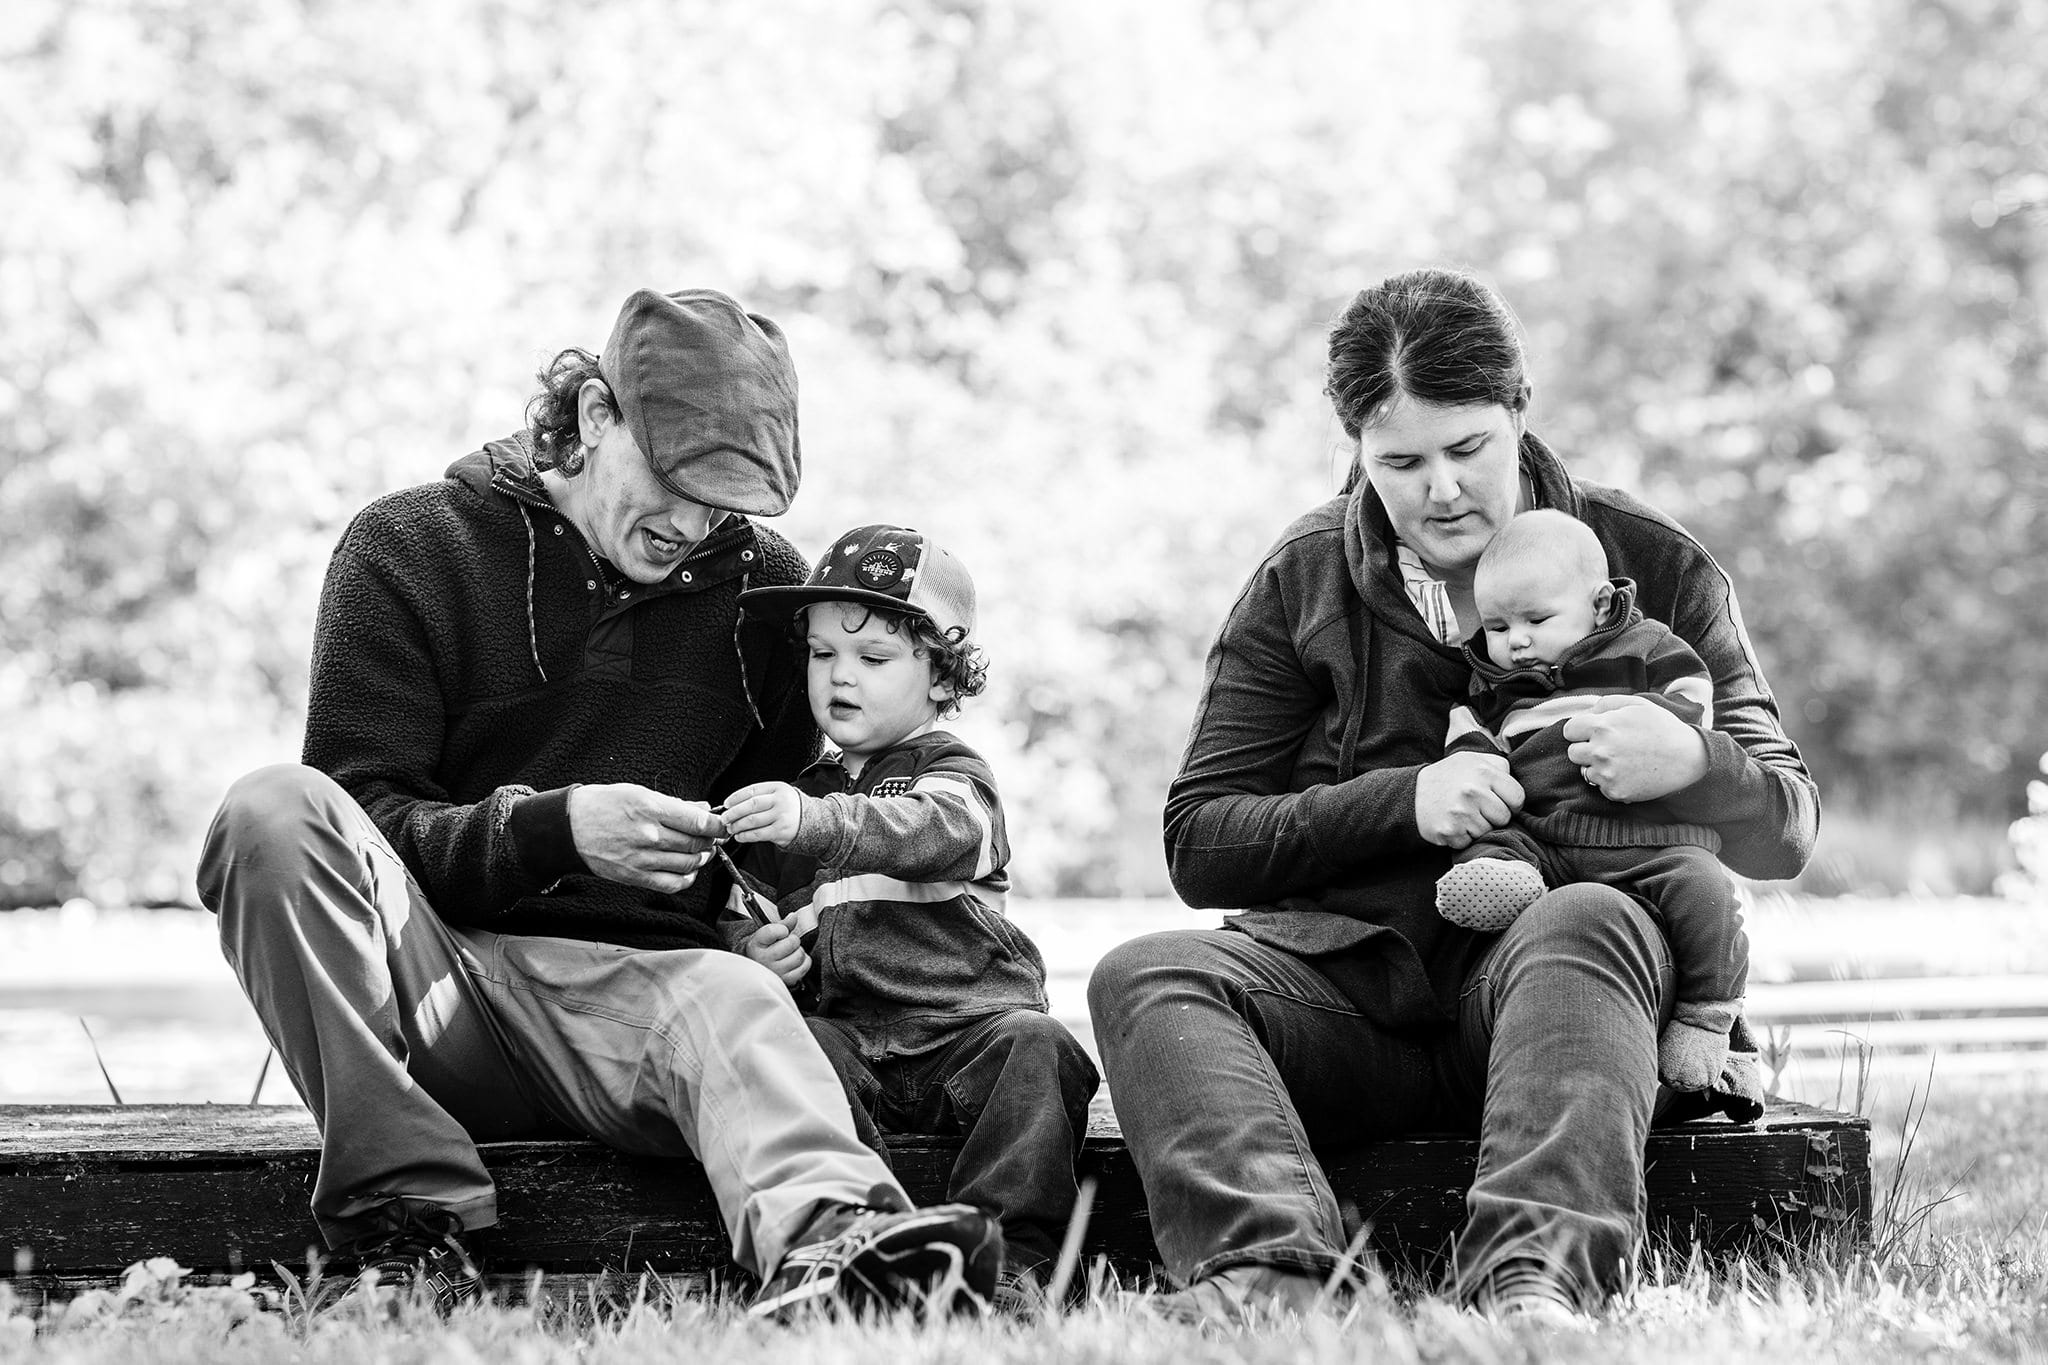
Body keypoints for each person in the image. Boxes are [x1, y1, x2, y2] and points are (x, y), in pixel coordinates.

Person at [194, 289, 1001, 1320]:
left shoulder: (765, 590)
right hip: (437, 990)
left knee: (737, 997)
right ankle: (402, 1229)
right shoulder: (408, 548)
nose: (691, 525)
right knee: (270, 810)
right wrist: (554, 828)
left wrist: (755, 925)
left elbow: (757, 855)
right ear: (588, 416)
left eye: (726, 501)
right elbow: (358, 826)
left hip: (643, 1005)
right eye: (671, 482)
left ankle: (840, 1258)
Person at [1087, 268, 1817, 1327]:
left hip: (1565, 1011)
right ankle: (1270, 1278)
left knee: (1589, 913)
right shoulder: (1300, 579)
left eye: (1467, 450)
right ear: (1355, 453)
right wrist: (1402, 801)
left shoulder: (1648, 563)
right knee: (1145, 972)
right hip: (1343, 1001)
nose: (1440, 491)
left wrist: (1697, 762)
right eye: (1400, 463)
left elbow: (1788, 826)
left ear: (1518, 413)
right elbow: (1200, 844)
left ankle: (1533, 1287)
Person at [723, 524, 1100, 1311]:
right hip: (853, 1037)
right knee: (789, 1052)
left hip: (967, 1028)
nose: (840, 676)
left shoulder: (952, 771)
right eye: (823, 654)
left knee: (1038, 1048)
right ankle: (859, 1240)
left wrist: (815, 821)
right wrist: (753, 950)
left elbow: (942, 832)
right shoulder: (800, 792)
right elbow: (740, 906)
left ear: (940, 673)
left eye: (874, 657)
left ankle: (1013, 1267)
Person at [1434, 508, 1749, 1093]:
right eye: (1498, 628)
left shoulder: (1644, 647)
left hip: (1646, 839)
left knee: (1705, 890)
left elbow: (1691, 694)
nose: (1517, 641)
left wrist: (1666, 735)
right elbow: (1470, 740)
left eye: (1537, 619)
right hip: (1544, 837)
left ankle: (1707, 1018)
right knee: (1491, 842)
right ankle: (1500, 882)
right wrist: (1466, 767)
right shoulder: (1500, 686)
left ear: (1600, 605)